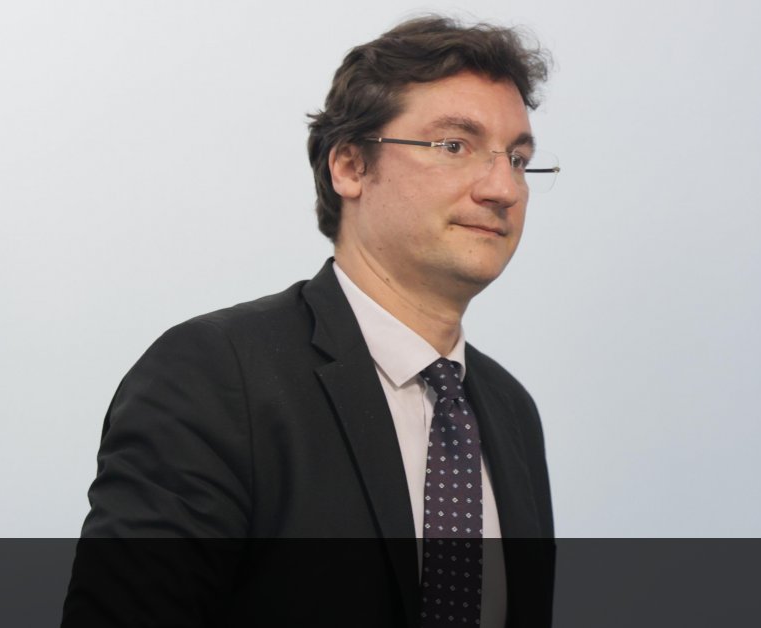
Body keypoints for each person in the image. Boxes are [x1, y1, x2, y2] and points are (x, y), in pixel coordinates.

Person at [63, 15, 558, 628]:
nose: (503, 187)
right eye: (454, 146)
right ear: (349, 166)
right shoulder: (215, 377)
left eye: (518, 158)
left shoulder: (511, 413)